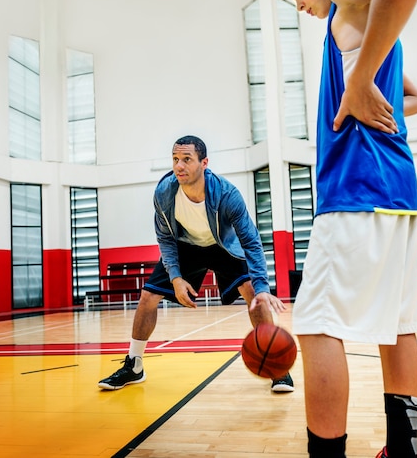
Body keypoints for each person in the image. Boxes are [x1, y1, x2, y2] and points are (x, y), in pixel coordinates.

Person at [270, 0, 417, 458]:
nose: (299, 3)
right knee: (397, 327)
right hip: (399, 192)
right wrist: (366, 83)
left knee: (315, 325)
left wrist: (358, 79)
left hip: (357, 190)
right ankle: (402, 453)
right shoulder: (372, 28)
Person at [98, 135, 294, 393]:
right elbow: (165, 238)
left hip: (222, 245)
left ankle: (276, 366)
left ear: (204, 163)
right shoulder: (164, 193)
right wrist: (176, 277)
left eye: (187, 159)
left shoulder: (226, 194)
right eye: (176, 159)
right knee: (148, 297)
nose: (179, 165)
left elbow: (251, 241)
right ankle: (134, 366)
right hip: (186, 246)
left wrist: (262, 287)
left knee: (251, 292)